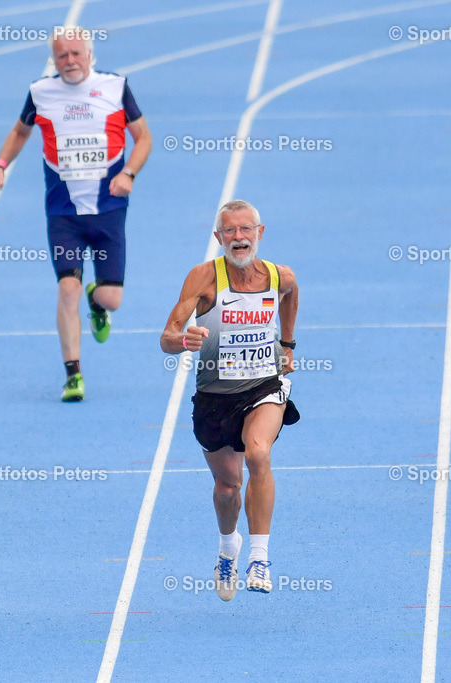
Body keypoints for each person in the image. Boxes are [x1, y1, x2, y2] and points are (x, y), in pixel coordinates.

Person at [0, 26, 152, 402]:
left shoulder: (115, 87)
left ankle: (98, 302)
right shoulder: (40, 93)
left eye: (76, 54)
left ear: (90, 54)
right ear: (54, 59)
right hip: (63, 214)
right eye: (62, 55)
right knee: (67, 288)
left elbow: (144, 138)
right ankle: (73, 375)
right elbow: (19, 131)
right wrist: (0, 165)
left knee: (111, 299)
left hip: (108, 210)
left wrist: (128, 173)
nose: (70, 61)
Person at [160, 199, 300, 600]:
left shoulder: (278, 276)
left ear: (260, 232)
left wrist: (286, 344)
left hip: (264, 385)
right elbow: (167, 336)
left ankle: (260, 557)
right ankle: (228, 547)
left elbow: (291, 293)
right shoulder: (204, 278)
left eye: (246, 230)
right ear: (218, 237)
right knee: (228, 486)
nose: (239, 238)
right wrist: (183, 340)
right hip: (215, 395)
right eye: (230, 232)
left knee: (258, 454)